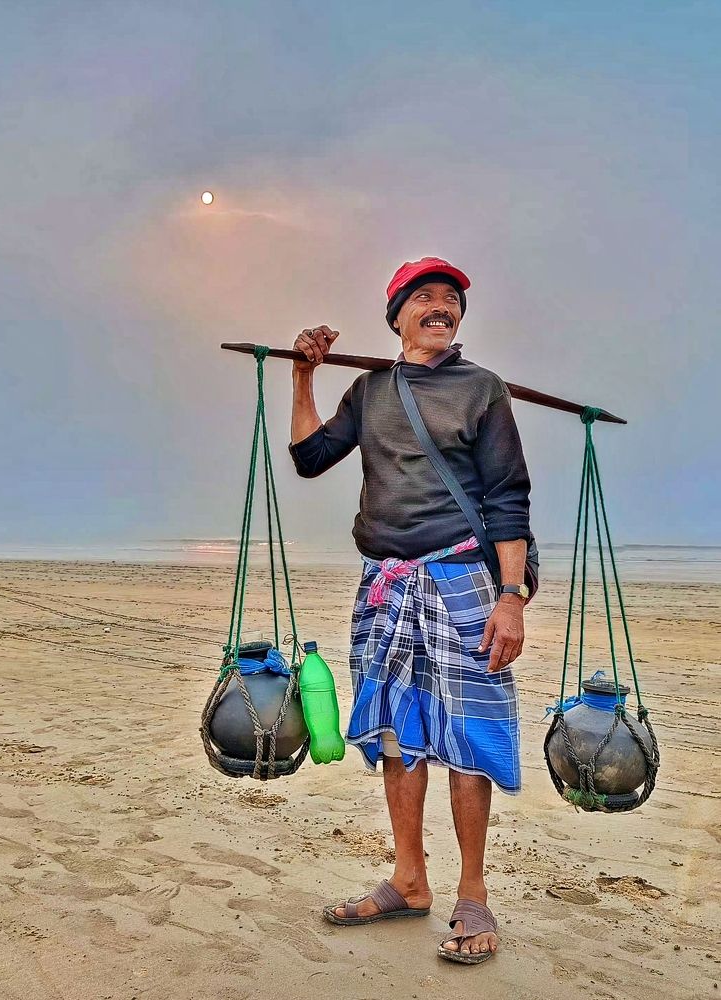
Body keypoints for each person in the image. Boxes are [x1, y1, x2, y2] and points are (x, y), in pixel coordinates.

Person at [288, 256, 533, 966]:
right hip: (384, 586)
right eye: (423, 297)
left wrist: (511, 599)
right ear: (395, 317)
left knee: (466, 735)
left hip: (462, 580)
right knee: (398, 734)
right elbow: (309, 457)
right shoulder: (369, 389)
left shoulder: (479, 389)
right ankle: (408, 879)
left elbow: (508, 496)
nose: (440, 306)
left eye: (450, 299)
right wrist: (305, 375)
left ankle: (472, 892)